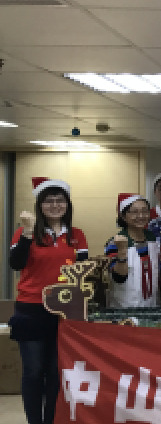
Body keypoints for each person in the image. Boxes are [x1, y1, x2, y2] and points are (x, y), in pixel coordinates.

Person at [8, 177, 88, 424]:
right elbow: (16, 264)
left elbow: (83, 272)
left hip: (64, 312)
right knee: (33, 372)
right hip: (32, 309)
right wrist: (27, 233)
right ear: (39, 205)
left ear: (68, 204)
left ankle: (52, 420)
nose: (55, 205)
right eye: (48, 201)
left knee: (56, 372)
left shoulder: (76, 235)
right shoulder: (24, 232)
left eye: (60, 200)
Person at [106, 193, 159, 308]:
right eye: (134, 212)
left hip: (151, 305)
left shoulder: (152, 238)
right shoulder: (114, 242)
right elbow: (119, 278)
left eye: (145, 211)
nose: (141, 216)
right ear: (124, 216)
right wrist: (122, 251)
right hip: (125, 307)